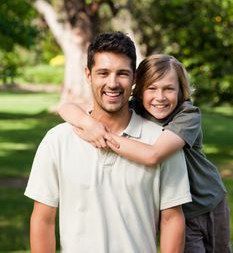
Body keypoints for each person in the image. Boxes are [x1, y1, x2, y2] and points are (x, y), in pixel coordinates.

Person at [25, 31, 191, 253]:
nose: (112, 83)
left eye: (122, 74)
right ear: (88, 75)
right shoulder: (57, 140)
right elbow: (43, 220)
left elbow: (172, 219)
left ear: (134, 79)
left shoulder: (162, 141)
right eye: (103, 73)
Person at [59, 53, 231, 253]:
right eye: (152, 88)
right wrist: (88, 123)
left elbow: (153, 155)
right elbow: (66, 108)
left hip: (210, 202)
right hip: (180, 211)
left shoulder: (187, 115)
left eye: (169, 89)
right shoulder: (136, 110)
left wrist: (102, 136)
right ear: (139, 91)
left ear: (181, 91)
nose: (160, 97)